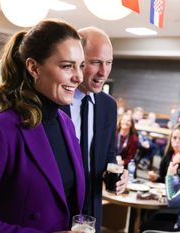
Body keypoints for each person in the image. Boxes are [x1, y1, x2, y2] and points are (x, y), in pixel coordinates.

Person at [0, 19, 86, 233]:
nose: (78, 77)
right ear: (33, 67)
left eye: (81, 66)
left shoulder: (67, 124)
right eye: (67, 66)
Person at [60, 26, 128, 232]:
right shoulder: (55, 100)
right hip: (57, 208)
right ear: (77, 61)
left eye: (108, 63)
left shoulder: (108, 106)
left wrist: (119, 176)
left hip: (91, 211)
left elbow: (108, 156)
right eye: (96, 62)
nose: (104, 72)